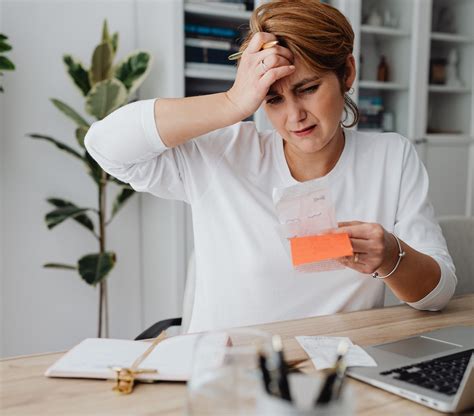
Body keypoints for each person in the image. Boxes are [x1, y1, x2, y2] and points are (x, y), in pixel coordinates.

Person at [85, 0, 456, 333]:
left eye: (308, 88)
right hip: (228, 380)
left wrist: (392, 255)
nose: (294, 116)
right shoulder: (223, 154)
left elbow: (437, 295)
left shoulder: (391, 157)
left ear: (347, 73)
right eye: (273, 98)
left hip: (337, 378)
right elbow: (104, 145)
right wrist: (232, 103)